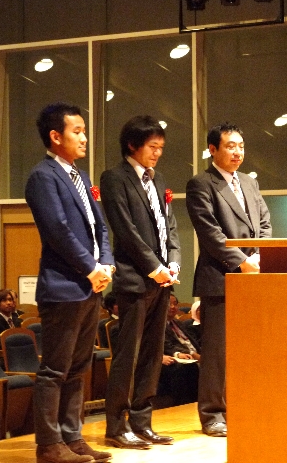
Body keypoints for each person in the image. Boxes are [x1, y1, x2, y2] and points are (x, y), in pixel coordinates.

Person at [25, 102, 115, 463]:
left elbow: (99, 227)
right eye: (77, 131)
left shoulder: (80, 175)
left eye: (84, 131)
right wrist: (91, 268)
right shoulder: (43, 176)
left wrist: (106, 263)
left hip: (90, 285)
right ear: (55, 136)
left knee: (78, 368)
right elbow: (58, 231)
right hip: (63, 287)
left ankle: (73, 438)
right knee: (55, 370)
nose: (84, 138)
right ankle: (49, 445)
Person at [100, 115, 181, 450]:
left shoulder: (158, 179)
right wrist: (154, 267)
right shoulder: (114, 178)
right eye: (152, 146)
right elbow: (125, 231)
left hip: (162, 281)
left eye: (161, 147)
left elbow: (169, 226)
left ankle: (142, 422)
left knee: (152, 353)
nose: (157, 153)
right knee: (128, 355)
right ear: (132, 145)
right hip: (135, 279)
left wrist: (173, 261)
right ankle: (116, 426)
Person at [186, 122, 272, 437]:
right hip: (219, 278)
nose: (237, 152)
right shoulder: (201, 184)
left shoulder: (249, 181)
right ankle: (212, 415)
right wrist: (241, 262)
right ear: (213, 150)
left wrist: (259, 255)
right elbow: (210, 233)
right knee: (217, 353)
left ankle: (244, 406)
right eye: (230, 146)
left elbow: (264, 222)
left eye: (241, 146)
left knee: (248, 349)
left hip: (253, 278)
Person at [157, 293, 200, 406]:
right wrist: (184, 353)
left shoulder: (178, 323)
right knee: (182, 368)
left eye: (175, 304)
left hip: (190, 354)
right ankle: (184, 404)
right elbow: (166, 345)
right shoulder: (157, 325)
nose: (173, 307)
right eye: (169, 304)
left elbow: (191, 342)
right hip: (170, 357)